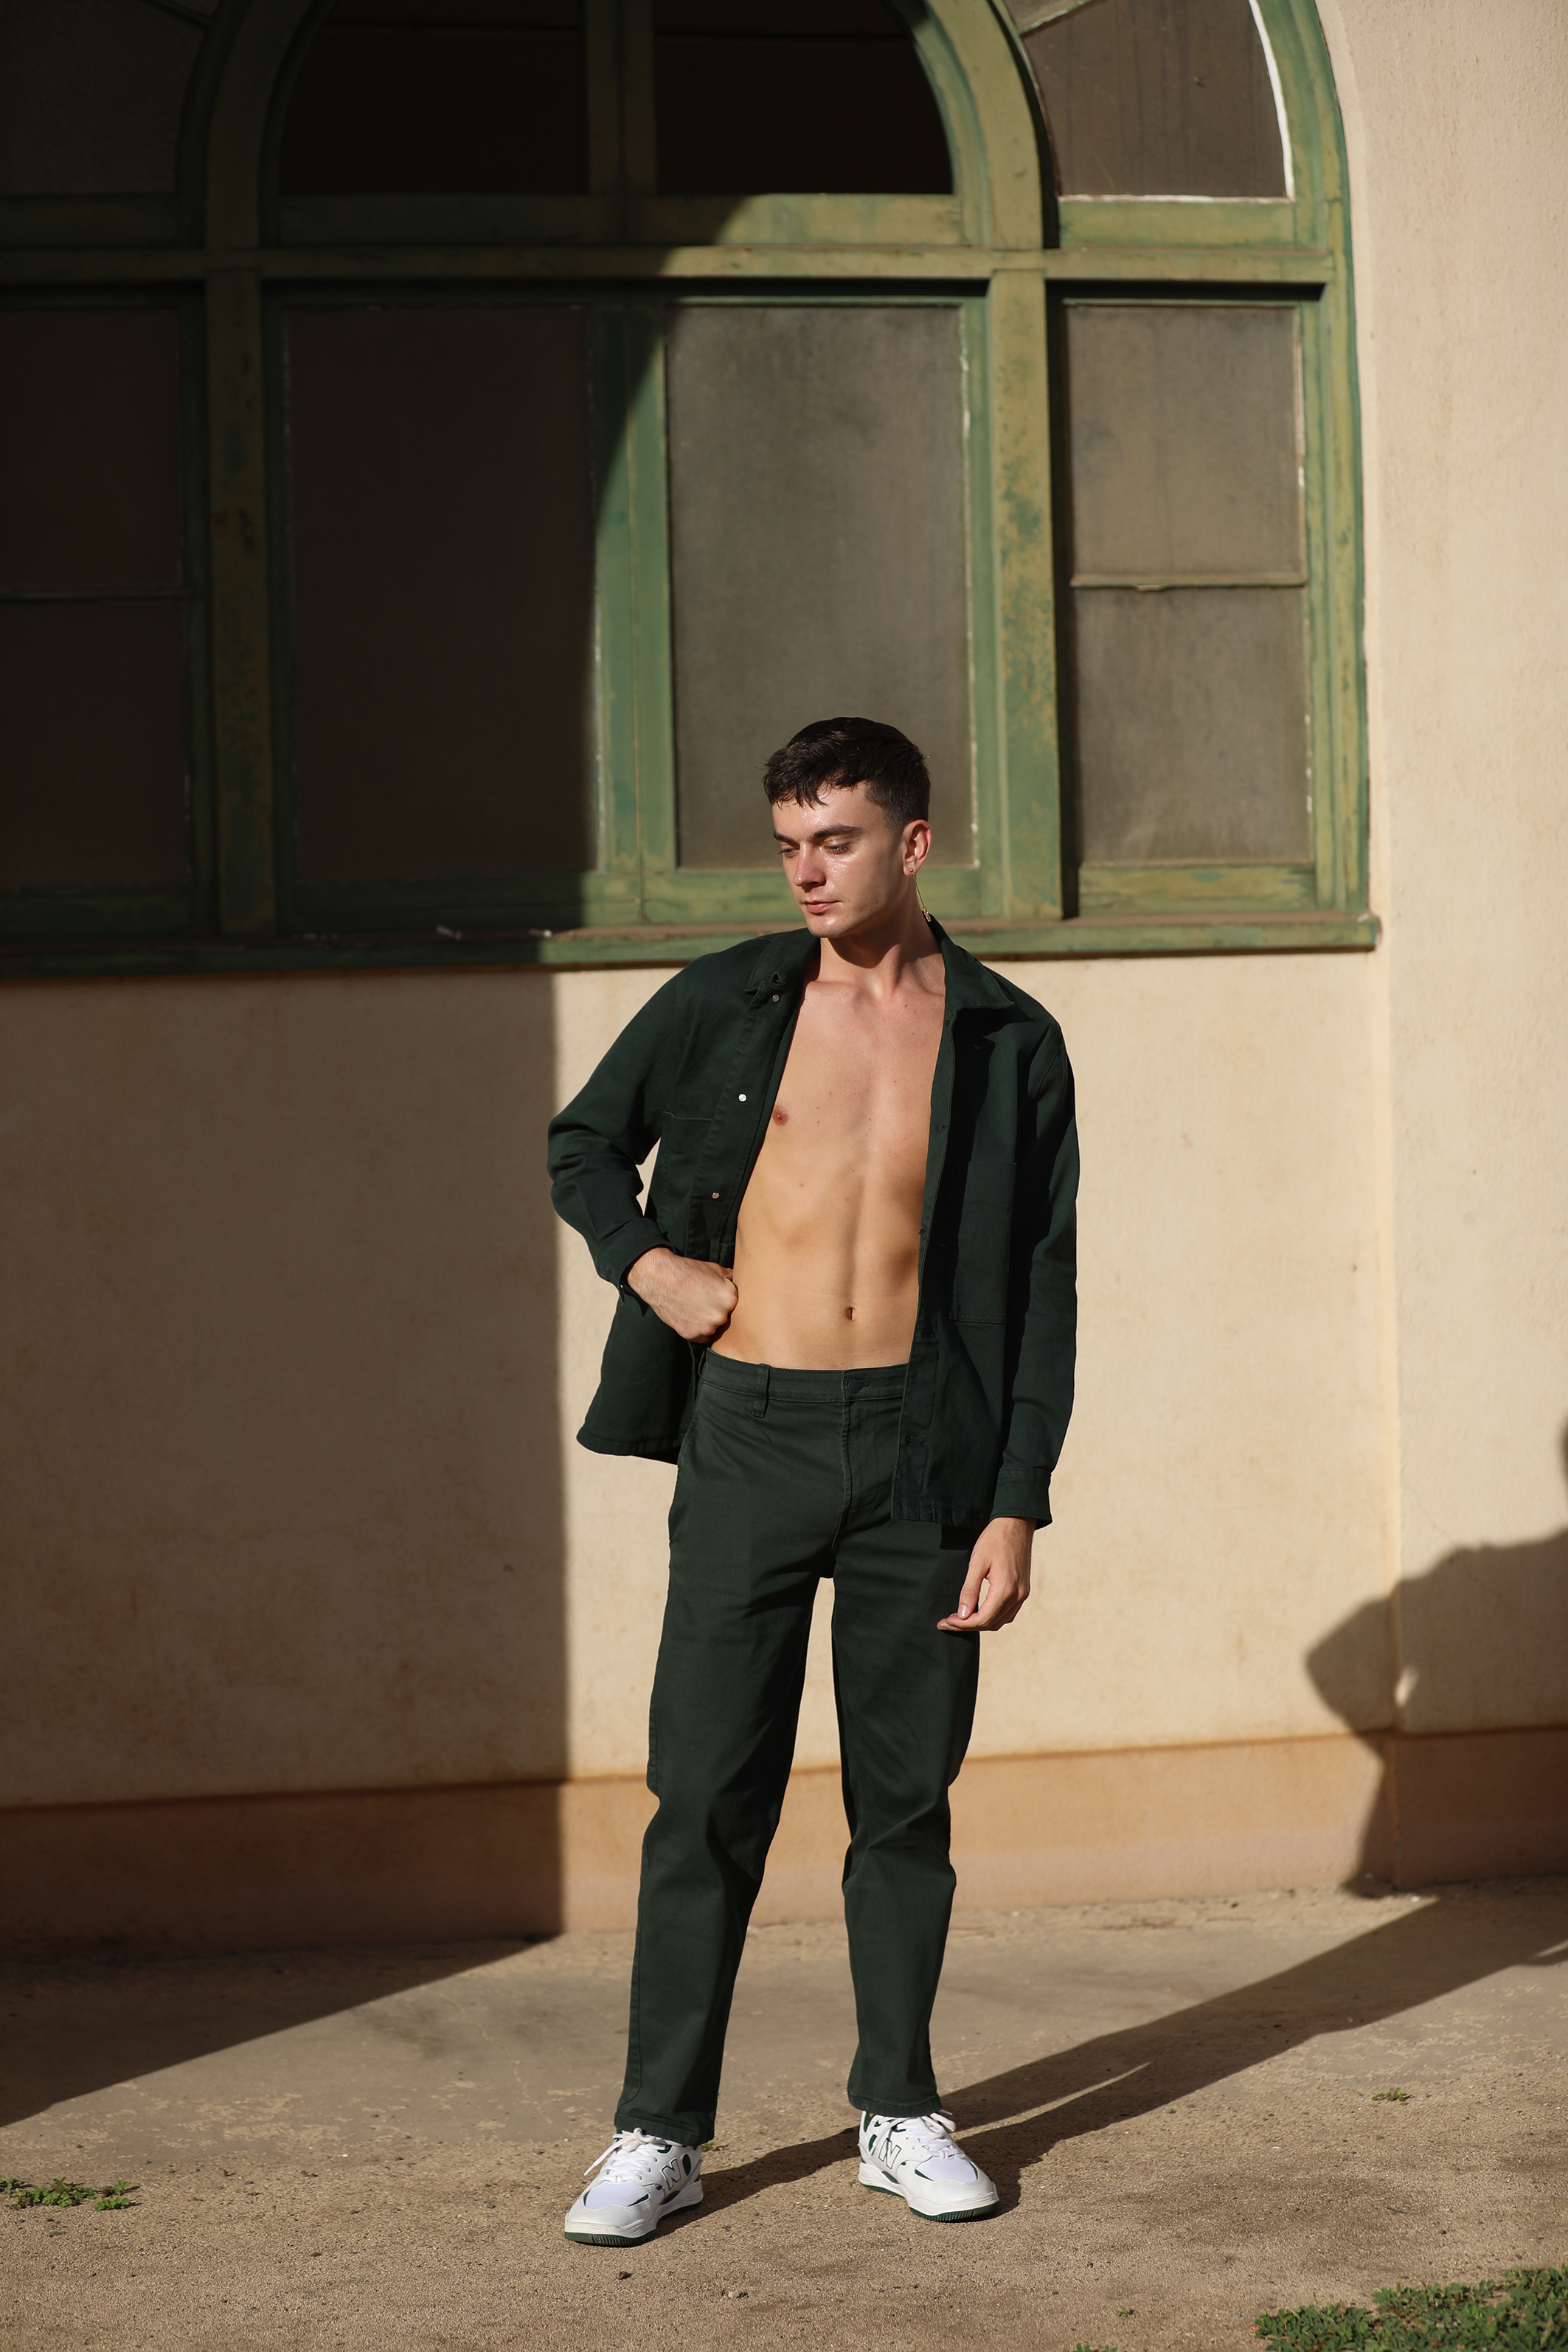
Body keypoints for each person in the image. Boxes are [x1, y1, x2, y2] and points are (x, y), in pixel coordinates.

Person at [547, 717, 1078, 2242]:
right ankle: (658, 2130)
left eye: (833, 840)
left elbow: (1042, 1281)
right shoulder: (725, 999)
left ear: (911, 841)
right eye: (787, 844)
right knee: (706, 1791)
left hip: (925, 1449)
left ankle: (897, 2108)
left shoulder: (1006, 1036)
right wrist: (648, 1263)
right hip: (752, 1430)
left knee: (904, 1801)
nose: (805, 871)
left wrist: (1015, 1497)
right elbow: (583, 1145)